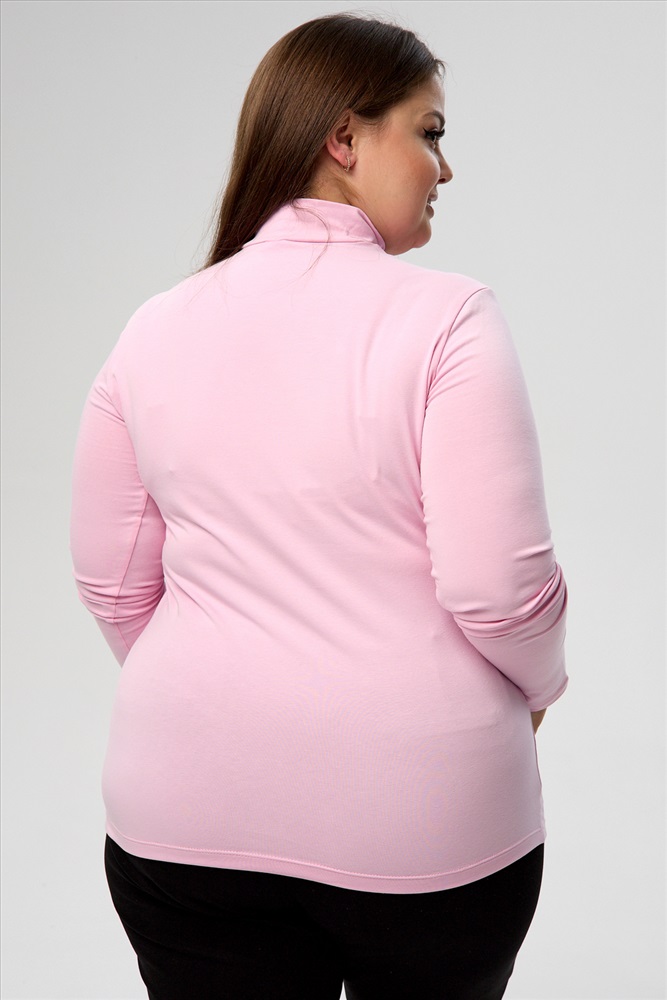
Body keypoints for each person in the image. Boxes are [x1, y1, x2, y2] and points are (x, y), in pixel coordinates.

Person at [69, 11, 568, 1000]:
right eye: (427, 132)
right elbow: (499, 591)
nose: (444, 167)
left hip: (183, 817)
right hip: (425, 823)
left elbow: (112, 584)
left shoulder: (154, 327)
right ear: (343, 139)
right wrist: (538, 690)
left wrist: (222, 692)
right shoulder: (448, 318)